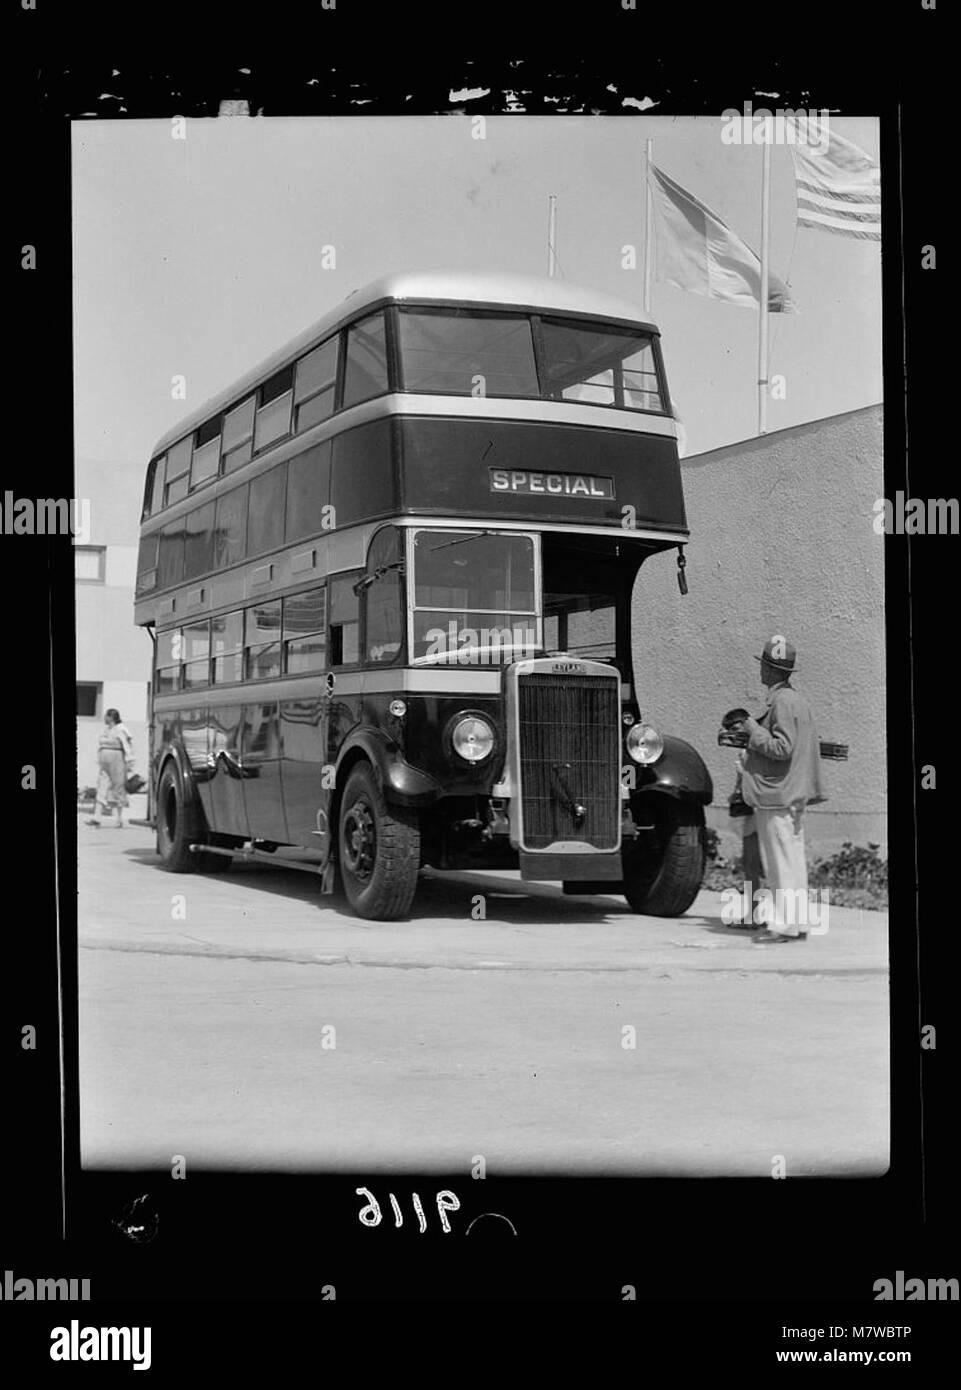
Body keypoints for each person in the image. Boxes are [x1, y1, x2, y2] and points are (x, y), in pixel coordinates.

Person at [732, 637, 824, 943]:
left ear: (769, 671)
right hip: (792, 794)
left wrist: (751, 728)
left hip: (776, 795)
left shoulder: (781, 703)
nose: (761, 671)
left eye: (763, 665)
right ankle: (797, 925)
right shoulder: (797, 702)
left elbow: (781, 747)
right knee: (792, 861)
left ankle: (783, 926)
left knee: (778, 864)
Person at [86, 708, 135, 828]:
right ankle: (97, 817)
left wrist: (130, 762)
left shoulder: (121, 729)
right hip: (104, 762)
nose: (104, 719)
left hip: (117, 760)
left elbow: (128, 746)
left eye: (106, 716)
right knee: (102, 786)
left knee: (118, 788)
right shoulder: (106, 730)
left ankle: (119, 819)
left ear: (111, 717)